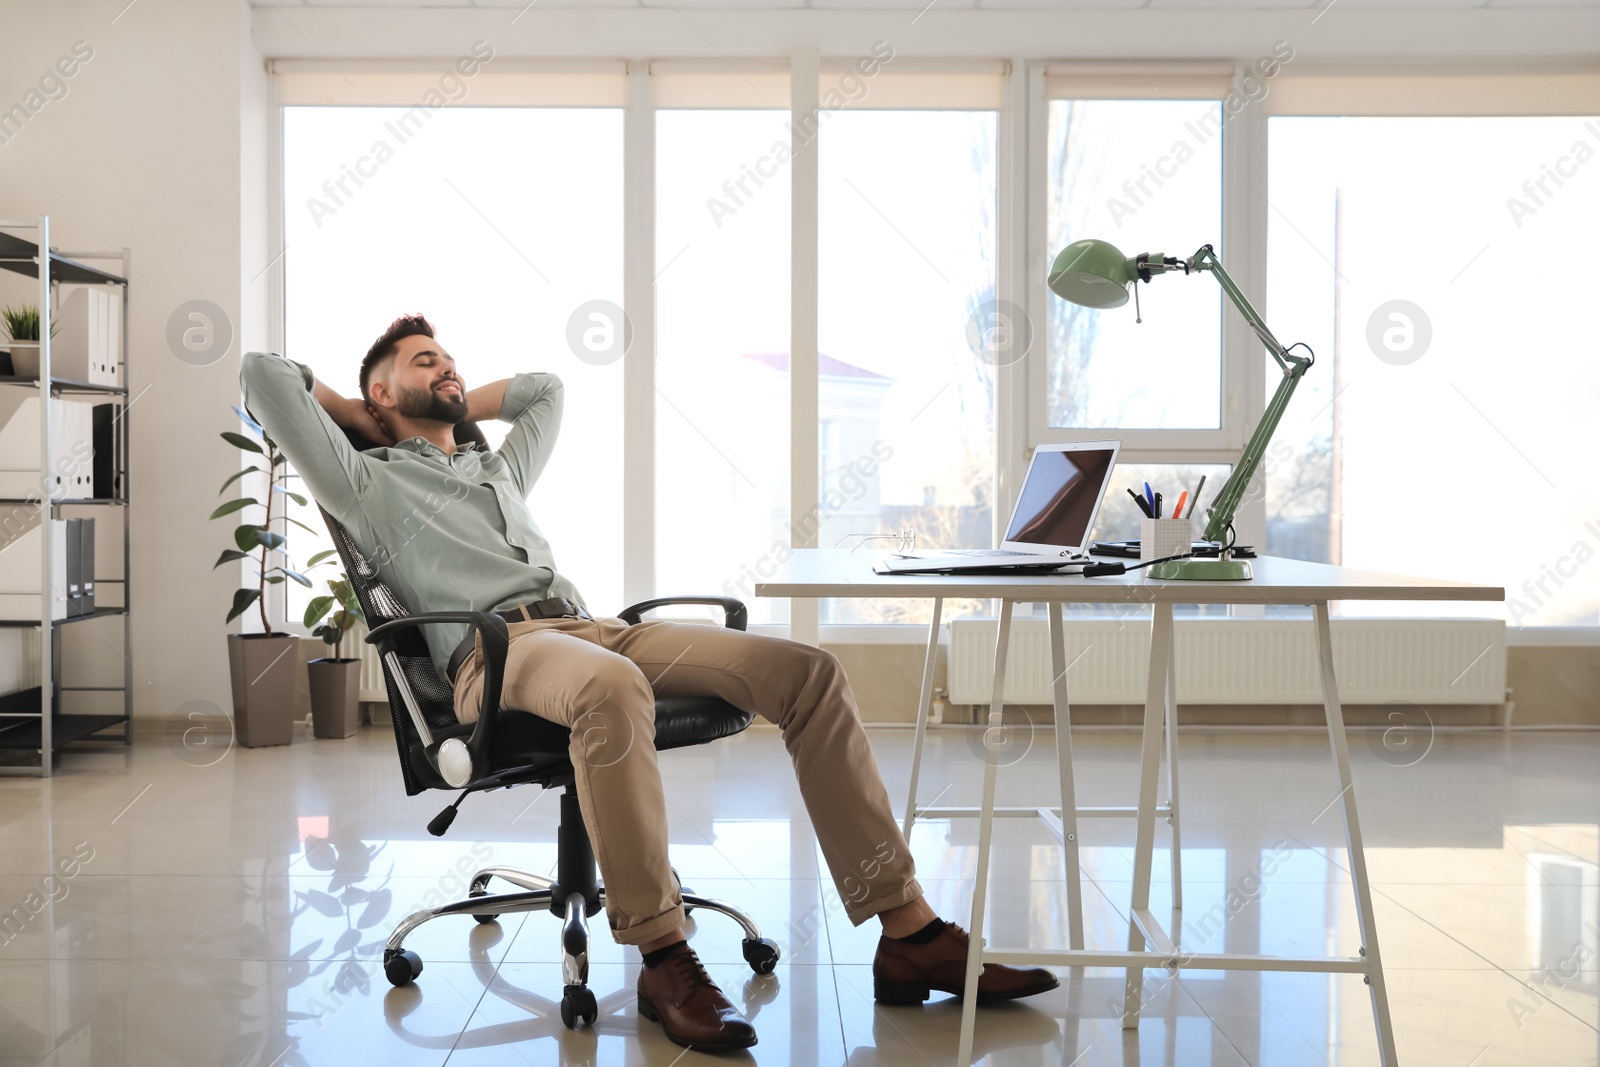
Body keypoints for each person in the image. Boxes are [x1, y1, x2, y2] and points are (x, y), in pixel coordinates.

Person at [239, 314, 1057, 1051]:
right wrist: (359, 416)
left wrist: (446, 392)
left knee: (808, 672)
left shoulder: (498, 471)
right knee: (612, 687)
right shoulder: (366, 481)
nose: (449, 368)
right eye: (427, 362)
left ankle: (907, 928)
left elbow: (543, 392)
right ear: (381, 390)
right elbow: (263, 373)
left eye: (452, 358)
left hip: (597, 626)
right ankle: (664, 956)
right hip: (495, 656)